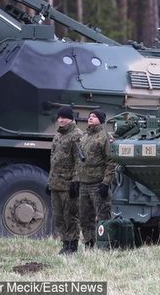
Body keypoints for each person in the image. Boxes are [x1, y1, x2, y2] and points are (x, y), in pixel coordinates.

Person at [73, 109, 115, 248]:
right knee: (85, 218)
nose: (90, 118)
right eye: (90, 116)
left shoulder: (104, 137)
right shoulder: (85, 137)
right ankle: (89, 243)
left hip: (98, 184)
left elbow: (111, 161)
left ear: (101, 120)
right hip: (84, 184)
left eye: (94, 116)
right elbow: (78, 162)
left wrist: (106, 183)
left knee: (103, 217)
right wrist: (76, 180)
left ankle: (104, 245)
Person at [48, 106, 83, 254]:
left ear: (71, 118)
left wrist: (76, 181)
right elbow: (53, 160)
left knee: (70, 216)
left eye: (64, 117)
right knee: (59, 217)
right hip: (56, 183)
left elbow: (79, 160)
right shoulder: (57, 136)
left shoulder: (77, 135)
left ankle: (72, 245)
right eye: (59, 117)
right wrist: (49, 181)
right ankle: (65, 243)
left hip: (68, 184)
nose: (60, 120)